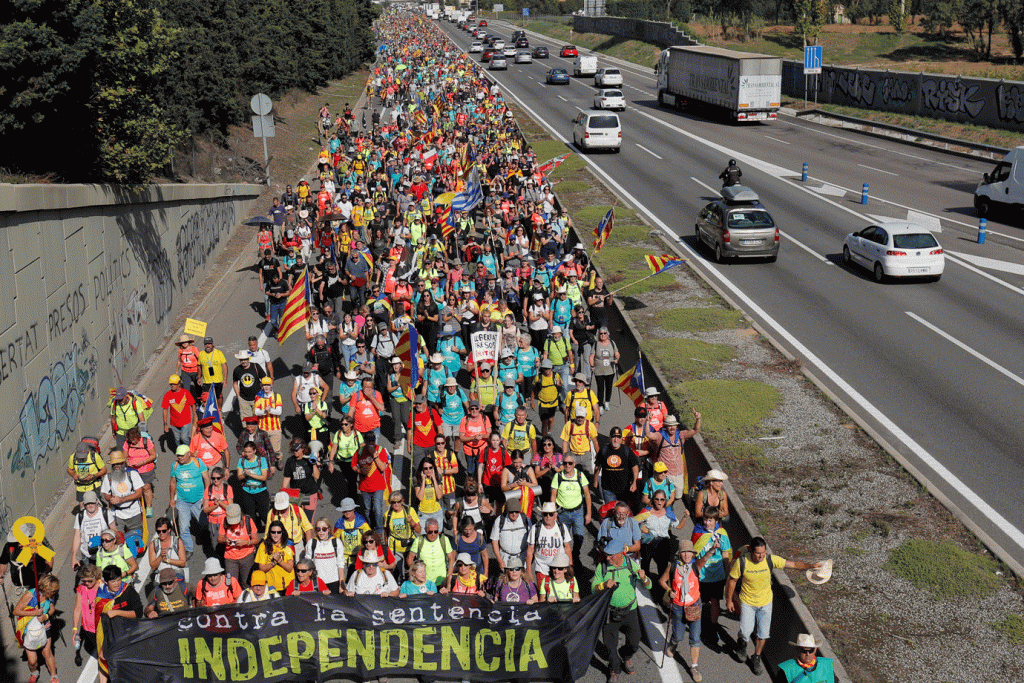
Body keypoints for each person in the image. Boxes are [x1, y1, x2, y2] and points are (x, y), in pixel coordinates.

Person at [725, 537, 824, 675]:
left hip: (766, 603)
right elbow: (732, 581)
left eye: (764, 552)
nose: (761, 556)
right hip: (748, 602)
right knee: (745, 632)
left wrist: (810, 566)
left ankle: (756, 657)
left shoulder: (770, 560)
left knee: (763, 634)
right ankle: (742, 645)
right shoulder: (742, 562)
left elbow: (793, 565)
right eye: (758, 553)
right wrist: (729, 600)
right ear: (751, 552)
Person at [592, 539, 651, 683]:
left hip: (630, 611)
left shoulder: (631, 564)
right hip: (609, 612)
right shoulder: (603, 567)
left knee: (634, 642)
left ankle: (626, 655)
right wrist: (603, 584)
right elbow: (593, 588)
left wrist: (644, 579)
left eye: (611, 555)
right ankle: (614, 669)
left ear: (620, 554)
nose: (607, 558)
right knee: (609, 645)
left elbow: (648, 586)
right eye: (606, 555)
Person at [659, 541, 710, 682]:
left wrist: (713, 548)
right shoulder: (673, 566)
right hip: (677, 607)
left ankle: (694, 666)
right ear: (679, 554)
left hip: (694, 605)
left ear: (693, 554)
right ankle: (673, 642)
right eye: (684, 552)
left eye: (689, 552)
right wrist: (669, 590)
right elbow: (662, 581)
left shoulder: (695, 565)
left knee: (695, 637)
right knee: (679, 636)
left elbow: (705, 558)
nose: (687, 554)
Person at [691, 507, 731, 647]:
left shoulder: (722, 534)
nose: (707, 523)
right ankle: (697, 624)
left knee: (715, 602)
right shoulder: (698, 532)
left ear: (716, 520)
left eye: (710, 520)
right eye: (705, 519)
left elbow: (726, 556)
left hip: (717, 575)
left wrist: (727, 575)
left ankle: (713, 626)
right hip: (701, 575)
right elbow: (693, 553)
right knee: (700, 602)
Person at [14, 573, 59, 683]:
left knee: (47, 653)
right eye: (53, 591)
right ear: (46, 588)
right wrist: (35, 612)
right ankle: (34, 672)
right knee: (32, 661)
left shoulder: (50, 595)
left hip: (45, 627)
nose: (55, 593)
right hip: (29, 630)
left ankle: (54, 676)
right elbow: (16, 611)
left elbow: (52, 609)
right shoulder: (31, 594)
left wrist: (46, 616)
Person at [550, 454, 591, 570]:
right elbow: (553, 495)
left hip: (577, 511)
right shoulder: (558, 476)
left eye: (570, 463)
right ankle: (567, 563)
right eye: (565, 463)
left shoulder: (579, 475)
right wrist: (554, 513)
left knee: (579, 537)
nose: (567, 466)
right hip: (563, 513)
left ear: (574, 464)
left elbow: (587, 495)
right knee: (564, 540)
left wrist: (589, 514)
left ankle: (575, 555)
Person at [169, 444, 210, 556]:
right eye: (178, 456)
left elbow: (207, 479)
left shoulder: (198, 463)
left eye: (182, 456)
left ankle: (206, 540)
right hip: (182, 501)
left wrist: (207, 497)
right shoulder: (175, 465)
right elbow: (173, 482)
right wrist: (172, 498)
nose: (179, 458)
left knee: (204, 524)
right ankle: (188, 549)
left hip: (198, 500)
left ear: (188, 454)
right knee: (183, 527)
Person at [100, 449, 145, 533]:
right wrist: (111, 499)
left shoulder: (132, 474)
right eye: (114, 464)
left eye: (119, 463)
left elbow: (139, 493)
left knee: (135, 539)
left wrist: (121, 500)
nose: (116, 466)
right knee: (118, 539)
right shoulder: (108, 477)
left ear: (123, 463)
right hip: (117, 514)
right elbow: (106, 495)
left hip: (134, 512)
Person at [594, 427, 640, 507]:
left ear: (621, 439)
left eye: (618, 437)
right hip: (608, 489)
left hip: (624, 489)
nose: (616, 440)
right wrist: (595, 481)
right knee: (610, 511)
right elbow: (597, 467)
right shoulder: (604, 450)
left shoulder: (626, 450)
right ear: (610, 438)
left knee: (622, 511)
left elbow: (635, 467)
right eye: (614, 437)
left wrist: (634, 482)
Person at [71, 491, 116, 571]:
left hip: (104, 553)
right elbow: (77, 536)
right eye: (88, 503)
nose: (90, 505)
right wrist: (74, 556)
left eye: (92, 502)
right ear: (84, 505)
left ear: (97, 502)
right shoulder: (80, 516)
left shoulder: (105, 513)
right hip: (87, 555)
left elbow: (115, 532)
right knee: (90, 579)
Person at [218, 504, 259, 589]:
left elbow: (256, 539)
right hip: (230, 559)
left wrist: (246, 542)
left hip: (247, 557)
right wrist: (225, 540)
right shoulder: (224, 521)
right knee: (232, 584)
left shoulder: (248, 520)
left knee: (246, 583)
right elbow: (219, 538)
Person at [406, 518, 454, 588]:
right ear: (425, 530)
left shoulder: (444, 540)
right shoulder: (418, 541)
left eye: (436, 531)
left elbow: (451, 559)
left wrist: (448, 579)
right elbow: (410, 558)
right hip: (424, 582)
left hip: (441, 581)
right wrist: (415, 574)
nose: (433, 534)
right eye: (430, 532)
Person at [282, 439, 322, 519]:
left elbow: (317, 476)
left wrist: (314, 463)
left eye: (297, 449)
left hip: (310, 493)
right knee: (297, 519)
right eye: (293, 450)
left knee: (308, 519)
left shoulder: (309, 459)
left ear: (303, 448)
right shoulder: (290, 461)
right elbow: (287, 478)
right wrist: (283, 493)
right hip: (296, 494)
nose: (295, 451)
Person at [236, 441, 271, 530]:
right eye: (246, 452)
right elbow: (239, 477)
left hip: (261, 491)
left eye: (250, 452)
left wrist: (250, 474)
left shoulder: (261, 460)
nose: (247, 454)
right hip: (247, 492)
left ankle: (271, 532)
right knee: (250, 516)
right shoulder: (242, 461)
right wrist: (245, 475)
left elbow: (264, 477)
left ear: (254, 451)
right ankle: (253, 535)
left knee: (264, 514)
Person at [147, 516, 187, 590]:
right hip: (161, 575)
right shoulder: (153, 544)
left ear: (169, 530)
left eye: (164, 531)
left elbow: (182, 562)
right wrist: (160, 556)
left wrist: (168, 560)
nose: (161, 533)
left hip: (176, 574)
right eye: (158, 531)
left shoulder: (178, 542)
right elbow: (153, 566)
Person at [490, 498, 531, 573]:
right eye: (511, 512)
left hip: (522, 557)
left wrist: (528, 562)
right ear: (507, 511)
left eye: (517, 511)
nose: (514, 514)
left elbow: (531, 542)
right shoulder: (499, 520)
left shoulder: (525, 520)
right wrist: (500, 560)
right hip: (505, 559)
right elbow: (494, 541)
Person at [306, 518, 346, 593]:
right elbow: (307, 564)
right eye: (318, 529)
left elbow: (340, 565)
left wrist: (341, 584)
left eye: (324, 529)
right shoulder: (312, 543)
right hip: (317, 582)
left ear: (329, 529)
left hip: (334, 582)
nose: (321, 532)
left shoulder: (336, 542)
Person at [72, 565, 102, 664]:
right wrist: (75, 630)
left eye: (90, 581)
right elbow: (77, 609)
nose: (87, 583)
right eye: (84, 581)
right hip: (89, 629)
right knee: (101, 653)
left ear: (96, 577)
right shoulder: (81, 589)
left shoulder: (103, 588)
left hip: (103, 627)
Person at [255, 521, 296, 593]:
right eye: (273, 532)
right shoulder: (263, 545)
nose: (276, 535)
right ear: (269, 533)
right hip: (271, 586)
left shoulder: (288, 544)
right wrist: (273, 563)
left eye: (279, 532)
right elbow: (261, 568)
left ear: (282, 532)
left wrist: (279, 560)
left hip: (287, 585)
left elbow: (289, 568)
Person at [201, 466, 233, 555]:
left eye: (218, 478)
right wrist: (216, 505)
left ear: (222, 478)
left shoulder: (227, 488)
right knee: (215, 545)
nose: (215, 480)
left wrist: (219, 502)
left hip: (225, 521)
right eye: (213, 478)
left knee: (227, 543)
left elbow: (231, 509)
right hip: (213, 522)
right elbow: (205, 509)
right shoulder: (209, 489)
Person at [253, 377, 284, 468]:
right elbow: (256, 412)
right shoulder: (258, 396)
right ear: (261, 386)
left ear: (271, 385)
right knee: (262, 449)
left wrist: (270, 410)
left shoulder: (276, 396)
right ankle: (264, 463)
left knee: (275, 450)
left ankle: (279, 459)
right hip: (263, 428)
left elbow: (279, 412)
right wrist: (264, 411)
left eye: (268, 385)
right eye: (264, 385)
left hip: (275, 428)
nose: (266, 387)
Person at [66, 438, 107, 503]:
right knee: (82, 506)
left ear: (87, 451)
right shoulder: (73, 457)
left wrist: (94, 476)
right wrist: (73, 475)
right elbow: (69, 469)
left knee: (94, 505)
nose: (82, 458)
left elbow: (104, 470)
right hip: (80, 486)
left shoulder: (95, 456)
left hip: (94, 485)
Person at [560, 406, 599, 474]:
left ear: (586, 416)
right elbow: (565, 442)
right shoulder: (569, 425)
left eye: (582, 417)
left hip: (586, 455)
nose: (580, 419)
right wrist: (565, 457)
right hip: (573, 455)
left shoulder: (590, 425)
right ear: (575, 415)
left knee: (589, 476)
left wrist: (598, 454)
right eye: (578, 417)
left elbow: (595, 441)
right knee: (571, 475)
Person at [161, 375, 196, 450]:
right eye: (171, 384)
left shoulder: (185, 393)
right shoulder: (167, 395)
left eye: (174, 384)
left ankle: (189, 450)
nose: (172, 386)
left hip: (185, 421)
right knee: (177, 439)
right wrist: (165, 424)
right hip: (174, 423)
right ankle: (180, 452)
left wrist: (194, 416)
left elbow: (193, 404)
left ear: (179, 384)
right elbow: (165, 409)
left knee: (184, 438)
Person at [232, 351, 266, 421]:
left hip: (257, 397)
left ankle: (259, 431)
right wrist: (238, 396)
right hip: (244, 398)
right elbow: (235, 383)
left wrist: (263, 391)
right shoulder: (237, 370)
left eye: (245, 359)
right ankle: (248, 431)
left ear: (248, 359)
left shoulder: (256, 366)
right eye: (241, 360)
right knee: (247, 420)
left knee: (259, 418)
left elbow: (264, 379)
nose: (243, 361)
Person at [196, 337, 228, 405]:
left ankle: (219, 410)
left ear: (212, 344)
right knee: (205, 398)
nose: (207, 346)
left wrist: (225, 378)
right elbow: (199, 366)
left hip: (218, 380)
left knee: (219, 396)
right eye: (206, 344)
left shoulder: (219, 353)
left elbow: (224, 365)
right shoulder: (201, 354)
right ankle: (208, 412)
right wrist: (199, 377)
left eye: (209, 344)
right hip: (206, 381)